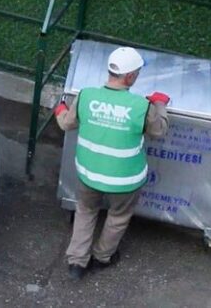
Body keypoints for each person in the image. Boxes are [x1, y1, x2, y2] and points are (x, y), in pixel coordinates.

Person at [54, 46, 169, 281]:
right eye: (137, 72)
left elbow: (66, 123)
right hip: (126, 180)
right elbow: (159, 130)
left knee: (85, 211)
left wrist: (60, 109)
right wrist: (160, 104)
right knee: (118, 216)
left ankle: (77, 262)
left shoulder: (86, 95)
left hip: (89, 173)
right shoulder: (141, 106)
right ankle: (103, 257)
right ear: (130, 77)